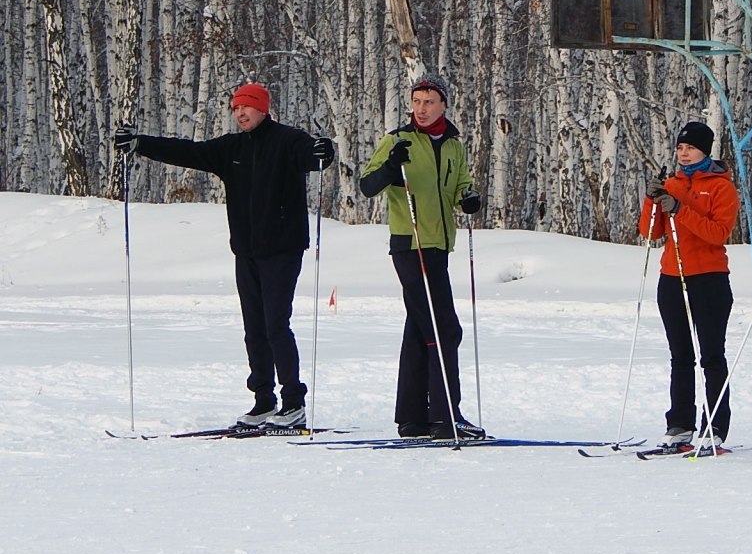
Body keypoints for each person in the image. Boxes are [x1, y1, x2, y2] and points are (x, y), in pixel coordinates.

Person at [114, 83, 335, 430]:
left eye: (247, 107)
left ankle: (293, 403)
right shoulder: (231, 148)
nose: (240, 113)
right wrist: (140, 143)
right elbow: (188, 152)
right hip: (246, 251)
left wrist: (324, 151)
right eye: (235, 108)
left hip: (282, 248)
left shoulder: (287, 140)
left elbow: (313, 156)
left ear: (263, 108)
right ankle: (264, 400)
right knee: (254, 329)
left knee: (276, 325)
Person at [359, 73, 485, 440]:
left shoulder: (453, 145)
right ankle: (447, 417)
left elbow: (460, 183)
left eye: (429, 101)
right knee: (444, 327)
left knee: (419, 328)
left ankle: (413, 418)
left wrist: (469, 198)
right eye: (417, 101)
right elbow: (368, 185)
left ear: (444, 104)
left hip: (439, 245)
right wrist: (390, 169)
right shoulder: (397, 140)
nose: (422, 108)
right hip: (409, 243)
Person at [641, 121, 740, 451]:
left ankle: (714, 426)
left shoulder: (720, 187)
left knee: (711, 355)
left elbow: (718, 233)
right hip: (672, 276)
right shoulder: (672, 182)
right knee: (679, 355)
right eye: (680, 148)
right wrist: (652, 199)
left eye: (691, 149)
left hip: (708, 277)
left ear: (705, 151)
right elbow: (651, 232)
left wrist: (681, 208)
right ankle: (680, 424)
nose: (684, 154)